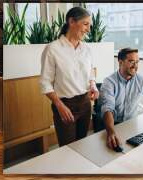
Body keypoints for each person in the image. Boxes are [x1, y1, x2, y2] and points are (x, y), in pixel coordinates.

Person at [40, 7, 99, 146]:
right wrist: (59, 106)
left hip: (85, 103)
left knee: (81, 144)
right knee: (67, 149)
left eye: (89, 25)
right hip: (65, 105)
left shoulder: (87, 49)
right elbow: (45, 83)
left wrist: (93, 86)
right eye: (85, 24)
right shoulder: (52, 49)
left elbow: (90, 74)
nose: (88, 29)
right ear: (72, 21)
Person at [100, 48, 143, 149]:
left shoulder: (142, 81)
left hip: (133, 125)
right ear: (120, 62)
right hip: (114, 126)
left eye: (137, 62)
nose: (135, 66)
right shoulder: (109, 82)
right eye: (131, 62)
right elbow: (108, 108)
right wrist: (111, 132)